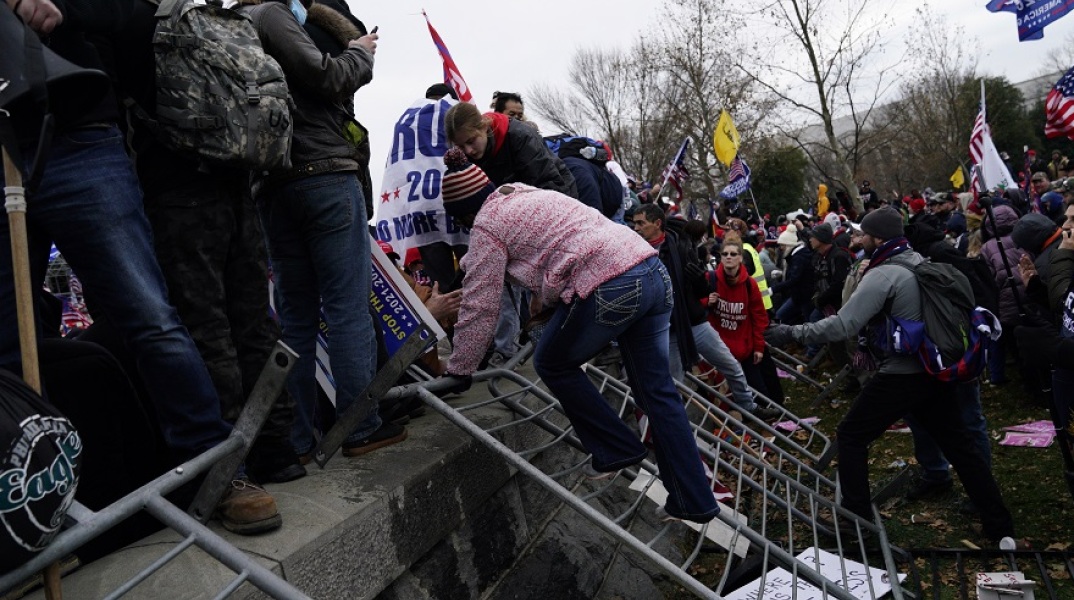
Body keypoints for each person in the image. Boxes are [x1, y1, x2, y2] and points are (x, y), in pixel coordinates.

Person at [0, 0, 280, 533]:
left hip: (75, 134)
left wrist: (58, 5)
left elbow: (134, 13)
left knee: (151, 319)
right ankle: (32, 505)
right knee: (7, 349)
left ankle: (215, 472)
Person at [437, 148, 719, 523]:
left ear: (464, 214)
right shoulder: (521, 193)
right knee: (658, 393)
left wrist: (460, 368)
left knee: (552, 361)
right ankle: (694, 499)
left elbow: (481, 304)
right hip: (650, 270)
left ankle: (616, 448)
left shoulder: (487, 226)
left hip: (611, 281)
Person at [106, 0, 303, 485]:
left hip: (176, 197)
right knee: (255, 323)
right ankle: (278, 449)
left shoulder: (125, 22)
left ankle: (228, 468)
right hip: (236, 185)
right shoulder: (200, 17)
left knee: (205, 329)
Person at [765, 208, 1015, 542]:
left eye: (863, 234)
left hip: (902, 374)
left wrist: (790, 332)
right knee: (960, 448)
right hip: (932, 370)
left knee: (851, 435)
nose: (859, 238)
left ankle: (856, 523)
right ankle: (999, 525)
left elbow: (843, 325)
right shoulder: (917, 260)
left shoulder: (883, 274)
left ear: (878, 237)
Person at [242, 0, 404, 460]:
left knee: (296, 320)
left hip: (270, 185)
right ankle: (360, 426)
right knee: (347, 308)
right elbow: (327, 77)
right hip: (323, 175)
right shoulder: (274, 15)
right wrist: (359, 52)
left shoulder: (233, 27)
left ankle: (297, 439)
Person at [632, 205, 776, 419]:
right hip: (668, 328)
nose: (636, 228)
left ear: (657, 223)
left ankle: (749, 408)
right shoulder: (636, 253)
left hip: (695, 322)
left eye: (641, 223)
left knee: (731, 367)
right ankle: (676, 425)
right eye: (634, 223)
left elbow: (702, 290)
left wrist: (700, 280)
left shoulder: (680, 246)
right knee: (674, 382)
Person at [705, 238, 783, 404]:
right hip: (720, 350)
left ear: (741, 258)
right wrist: (707, 302)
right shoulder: (710, 279)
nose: (729, 257)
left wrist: (759, 347)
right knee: (725, 396)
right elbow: (695, 308)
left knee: (759, 392)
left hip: (745, 348)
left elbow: (759, 318)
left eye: (733, 254)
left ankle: (768, 413)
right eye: (725, 254)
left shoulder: (749, 284)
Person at [771, 225, 813, 324]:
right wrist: (782, 274)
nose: (781, 248)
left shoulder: (799, 257)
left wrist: (773, 289)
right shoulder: (797, 255)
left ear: (788, 245)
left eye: (782, 245)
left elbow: (794, 279)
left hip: (803, 297)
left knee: (781, 316)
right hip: (798, 296)